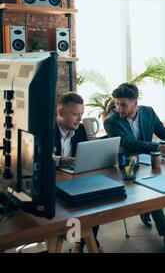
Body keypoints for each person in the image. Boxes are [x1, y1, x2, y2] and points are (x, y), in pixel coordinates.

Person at [104, 83, 165, 253]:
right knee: (150, 190)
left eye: (123, 104)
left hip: (150, 161)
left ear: (135, 103)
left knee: (158, 183)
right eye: (116, 104)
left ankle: (146, 209)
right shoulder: (111, 121)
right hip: (127, 164)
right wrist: (159, 147)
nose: (118, 108)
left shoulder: (148, 112)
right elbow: (128, 143)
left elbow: (163, 132)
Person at [54, 92, 103, 253]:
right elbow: (35, 157)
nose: (80, 119)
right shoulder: (46, 130)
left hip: (72, 179)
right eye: (75, 114)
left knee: (96, 199)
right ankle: (87, 242)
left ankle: (80, 243)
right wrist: (61, 160)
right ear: (61, 113)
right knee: (75, 205)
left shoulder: (80, 129)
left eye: (81, 114)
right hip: (51, 182)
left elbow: (82, 155)